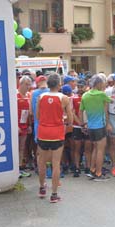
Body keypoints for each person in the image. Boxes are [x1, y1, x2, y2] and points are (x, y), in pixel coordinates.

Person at [36, 73, 73, 203]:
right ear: (59, 84)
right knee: (56, 163)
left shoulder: (41, 97)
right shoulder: (64, 98)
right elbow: (70, 117)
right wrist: (66, 123)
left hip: (43, 132)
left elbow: (38, 116)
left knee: (42, 162)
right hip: (57, 132)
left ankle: (42, 188)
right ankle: (54, 194)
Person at [80, 74, 112, 181]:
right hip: (100, 126)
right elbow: (110, 101)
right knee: (100, 150)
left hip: (90, 126)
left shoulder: (85, 95)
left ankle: (92, 170)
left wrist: (82, 124)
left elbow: (81, 111)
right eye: (103, 83)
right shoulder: (101, 94)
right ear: (98, 83)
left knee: (95, 148)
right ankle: (98, 173)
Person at [17, 76, 32, 178]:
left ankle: (20, 168)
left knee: (22, 148)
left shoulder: (28, 95)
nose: (28, 86)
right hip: (17, 126)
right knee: (15, 148)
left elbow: (29, 113)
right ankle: (15, 169)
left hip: (25, 125)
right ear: (20, 84)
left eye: (29, 84)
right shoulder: (15, 95)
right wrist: (15, 125)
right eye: (26, 84)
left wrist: (29, 125)